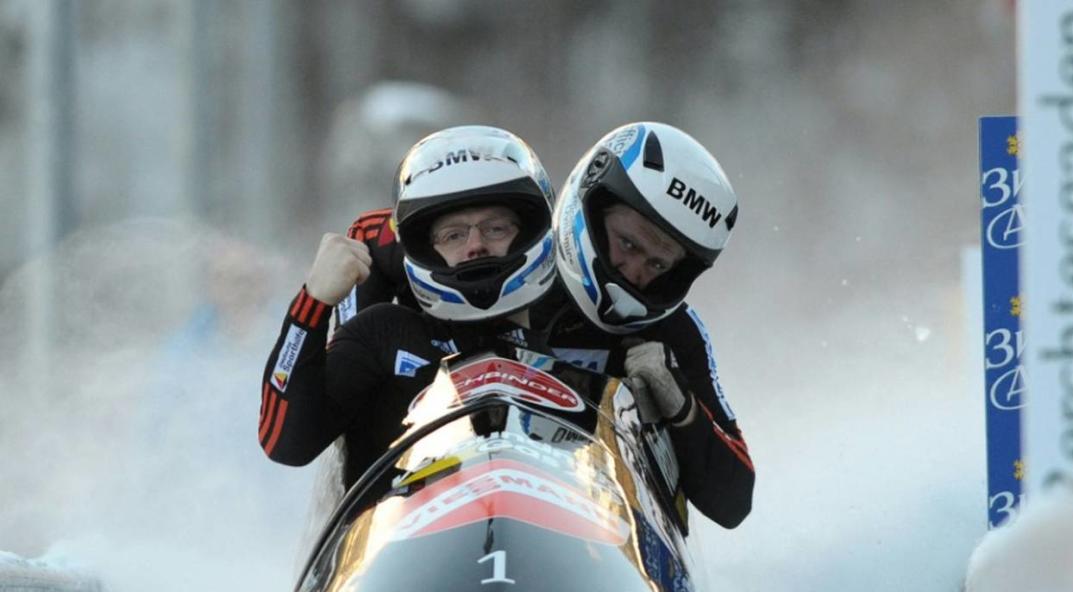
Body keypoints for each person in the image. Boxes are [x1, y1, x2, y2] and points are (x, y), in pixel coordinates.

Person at [259, 122, 752, 528]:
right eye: (627, 243)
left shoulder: (669, 334)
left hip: (589, 538)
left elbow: (734, 500)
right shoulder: (386, 318)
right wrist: (315, 302)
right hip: (411, 532)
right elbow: (294, 439)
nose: (635, 271)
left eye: (658, 265)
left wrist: (679, 406)